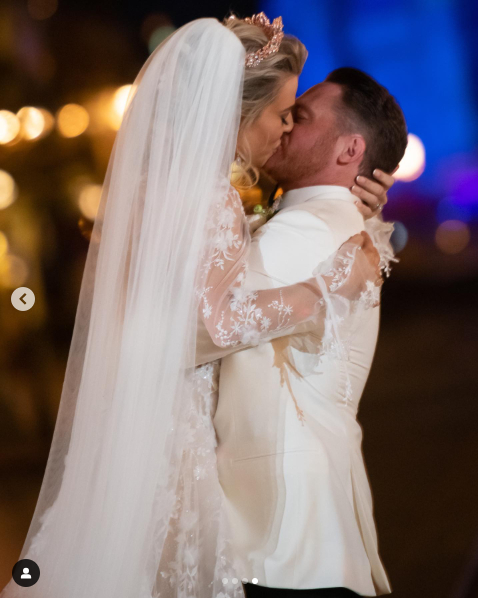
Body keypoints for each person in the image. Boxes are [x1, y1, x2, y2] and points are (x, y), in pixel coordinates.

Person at [0, 14, 392, 598]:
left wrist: (347, 207)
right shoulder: (212, 198)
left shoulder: (168, 191)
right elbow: (213, 320)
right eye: (284, 112)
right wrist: (326, 285)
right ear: (241, 111)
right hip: (187, 449)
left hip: (156, 433)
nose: (285, 128)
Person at [194, 68, 407, 598]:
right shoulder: (334, 223)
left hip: (280, 536)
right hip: (307, 535)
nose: (285, 125)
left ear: (349, 148)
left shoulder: (308, 230)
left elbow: (197, 329)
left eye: (301, 116)